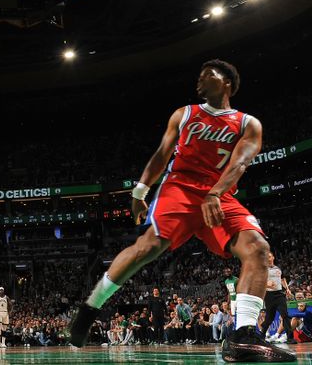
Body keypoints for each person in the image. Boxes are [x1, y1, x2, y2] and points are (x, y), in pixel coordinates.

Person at [69, 59, 295, 363]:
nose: (199, 81)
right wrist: (140, 191)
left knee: (257, 248)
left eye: (207, 76)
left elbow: (239, 163)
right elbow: (163, 154)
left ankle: (244, 336)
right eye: (198, 78)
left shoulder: (247, 123)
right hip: (180, 188)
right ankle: (90, 308)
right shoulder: (185, 113)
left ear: (227, 82)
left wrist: (215, 192)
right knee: (148, 247)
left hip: (220, 193)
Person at [262, 252, 296, 344]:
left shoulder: (279, 268)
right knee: (269, 318)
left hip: (280, 295)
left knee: (285, 315)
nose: (268, 258)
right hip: (269, 296)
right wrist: (267, 285)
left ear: (273, 257)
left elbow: (283, 279)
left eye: (269, 257)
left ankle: (290, 338)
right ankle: (261, 336)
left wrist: (287, 288)